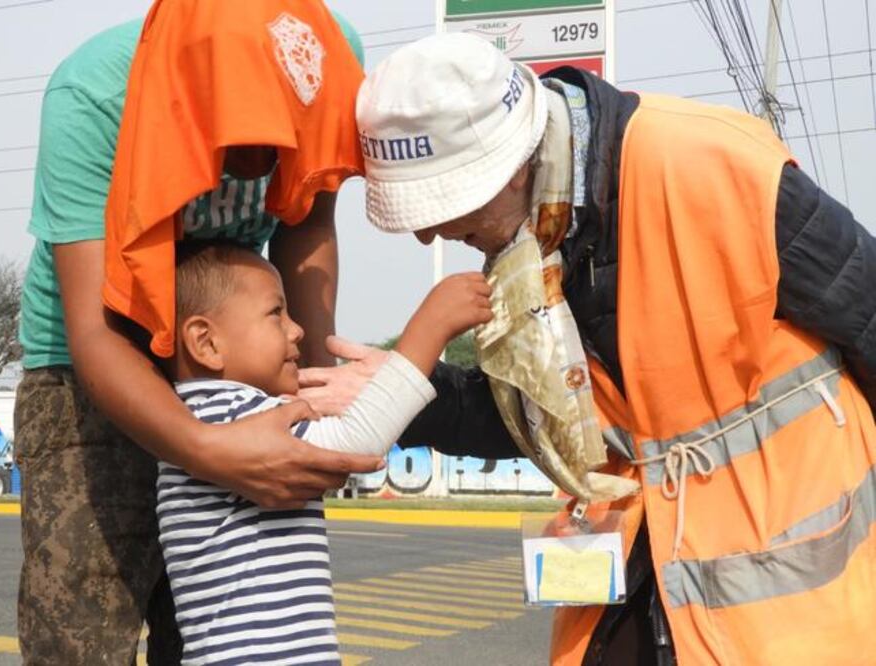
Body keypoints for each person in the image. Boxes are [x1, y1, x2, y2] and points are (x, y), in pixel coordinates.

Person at [304, 33, 876, 665]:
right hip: (640, 571)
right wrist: (413, 391)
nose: (427, 233)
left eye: (443, 203)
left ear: (511, 164)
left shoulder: (707, 163)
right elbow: (548, 419)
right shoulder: (526, 244)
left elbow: (868, 316)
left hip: (789, 594)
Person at [15, 2, 378, 663]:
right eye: (249, 133)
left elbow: (306, 222)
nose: (264, 162)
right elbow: (95, 332)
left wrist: (311, 385)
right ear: (192, 86)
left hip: (225, 361)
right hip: (92, 363)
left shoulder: (322, 57)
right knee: (81, 631)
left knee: (219, 630)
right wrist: (206, 451)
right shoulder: (94, 96)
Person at [160, 242, 491, 664]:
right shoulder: (227, 413)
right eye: (276, 313)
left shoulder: (200, 414)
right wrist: (431, 327)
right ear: (206, 343)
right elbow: (358, 439)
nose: (297, 330)